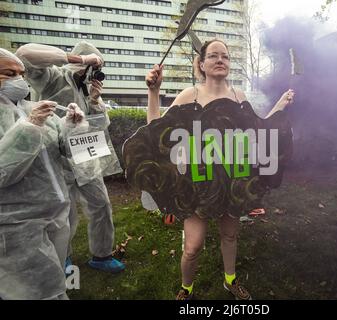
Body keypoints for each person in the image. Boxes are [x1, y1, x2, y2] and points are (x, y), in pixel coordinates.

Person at [145, 39, 295, 300]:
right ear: (201, 64)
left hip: (231, 179)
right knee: (193, 246)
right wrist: (154, 92)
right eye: (213, 55)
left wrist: (279, 108)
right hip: (196, 181)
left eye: (225, 56)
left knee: (230, 235)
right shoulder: (188, 95)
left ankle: (230, 280)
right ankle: (187, 288)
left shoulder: (239, 97)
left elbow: (259, 132)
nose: (220, 60)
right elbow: (156, 130)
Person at [15, 42, 125, 274]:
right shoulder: (52, 77)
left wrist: (95, 100)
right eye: (93, 65)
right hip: (56, 158)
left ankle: (102, 255)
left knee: (101, 206)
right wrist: (80, 60)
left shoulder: (87, 88)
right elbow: (24, 56)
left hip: (85, 158)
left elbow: (101, 124)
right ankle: (63, 258)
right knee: (64, 214)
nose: (92, 72)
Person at [0, 48, 84, 299]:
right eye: (9, 73)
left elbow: (67, 154)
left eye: (22, 74)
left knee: (56, 283)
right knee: (35, 292)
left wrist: (72, 126)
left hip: (56, 216)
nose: (20, 80)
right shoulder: (33, 117)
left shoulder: (35, 110)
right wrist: (29, 127)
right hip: (15, 226)